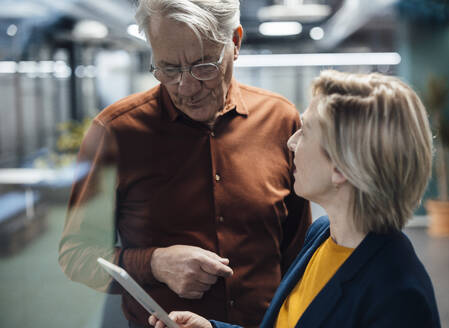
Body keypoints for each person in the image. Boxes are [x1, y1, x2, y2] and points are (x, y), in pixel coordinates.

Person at [58, 1, 311, 327]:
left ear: (235, 43)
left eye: (203, 66)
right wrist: (154, 264)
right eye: (169, 70)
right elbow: (76, 255)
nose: (187, 88)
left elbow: (300, 253)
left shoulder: (281, 120)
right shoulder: (116, 132)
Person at [148, 70, 441, 328]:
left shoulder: (398, 297)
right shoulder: (322, 235)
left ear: (342, 166)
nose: (291, 142)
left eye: (306, 131)